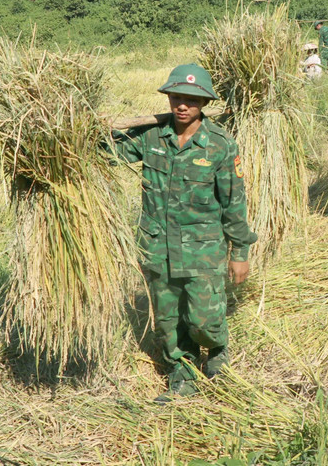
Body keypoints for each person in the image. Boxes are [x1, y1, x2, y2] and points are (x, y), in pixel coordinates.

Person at [109, 64, 257, 403]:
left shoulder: (219, 145)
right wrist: (77, 128)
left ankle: (217, 350)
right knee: (168, 320)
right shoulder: (150, 136)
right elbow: (108, 153)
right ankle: (182, 374)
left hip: (202, 250)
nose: (182, 105)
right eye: (176, 97)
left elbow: (234, 203)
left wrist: (240, 253)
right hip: (157, 247)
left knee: (204, 319)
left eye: (191, 100)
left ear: (203, 103)